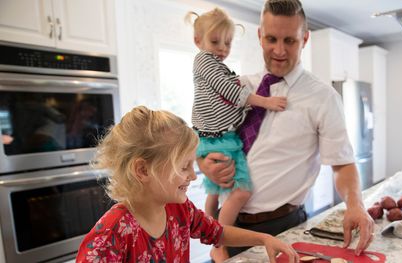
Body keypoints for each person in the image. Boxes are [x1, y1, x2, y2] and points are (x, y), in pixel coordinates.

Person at [197, 0, 375, 257]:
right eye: (271, 38)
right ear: (260, 36)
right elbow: (205, 130)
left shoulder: (322, 97)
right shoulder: (239, 85)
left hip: (281, 228)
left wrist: (355, 205)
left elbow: (342, 163)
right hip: (224, 227)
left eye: (289, 41)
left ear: (304, 38)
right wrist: (204, 163)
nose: (279, 50)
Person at [75, 106, 299, 263]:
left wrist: (264, 239)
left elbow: (217, 233)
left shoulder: (179, 210)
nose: (193, 176)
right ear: (143, 170)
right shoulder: (112, 234)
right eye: (184, 167)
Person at [186, 8, 287, 262]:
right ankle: (219, 240)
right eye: (215, 42)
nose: (222, 48)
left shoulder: (217, 66)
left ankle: (211, 236)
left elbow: (228, 101)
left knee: (213, 192)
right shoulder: (206, 63)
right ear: (198, 41)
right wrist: (265, 102)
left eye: (228, 43)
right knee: (241, 191)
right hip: (220, 139)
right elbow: (231, 93)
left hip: (214, 136)